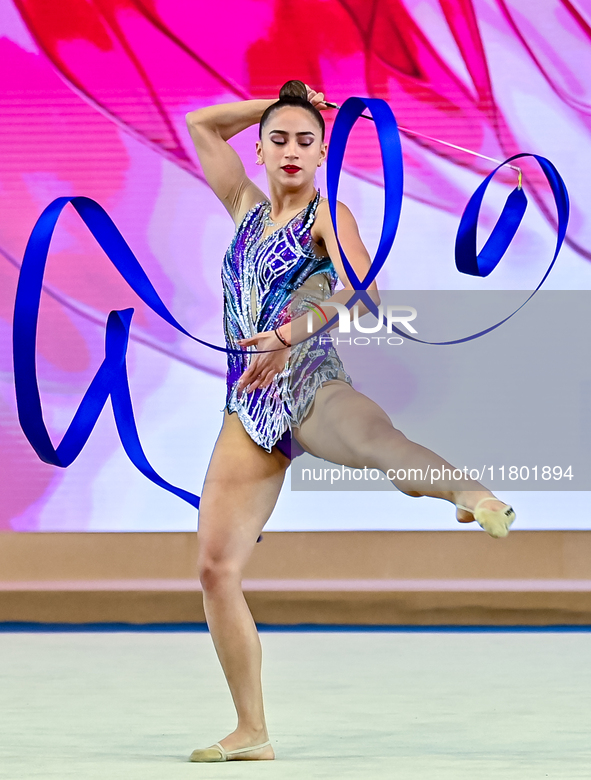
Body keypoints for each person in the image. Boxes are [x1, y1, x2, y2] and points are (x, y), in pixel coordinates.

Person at [184, 80, 516, 762]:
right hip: (245, 410)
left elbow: (363, 292)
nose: (290, 150)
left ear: (322, 150)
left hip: (309, 382)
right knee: (217, 571)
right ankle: (252, 732)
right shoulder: (244, 208)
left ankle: (471, 494)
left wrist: (288, 336)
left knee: (377, 443)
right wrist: (286, 98)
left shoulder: (324, 215)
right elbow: (199, 124)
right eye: (277, 139)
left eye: (306, 139)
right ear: (261, 147)